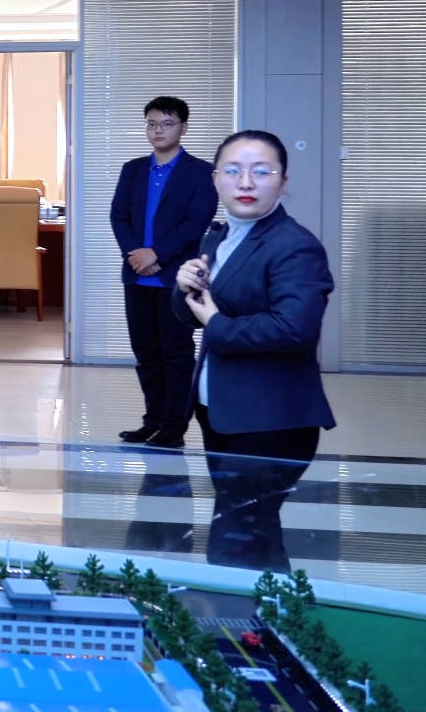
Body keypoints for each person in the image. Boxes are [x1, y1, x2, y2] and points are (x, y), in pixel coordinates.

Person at [174, 129, 334, 573]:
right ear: (215, 179)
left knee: (234, 543)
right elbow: (195, 312)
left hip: (272, 421)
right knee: (255, 531)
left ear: (282, 181)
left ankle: (229, 618)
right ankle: (280, 613)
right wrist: (183, 287)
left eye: (261, 172)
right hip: (224, 414)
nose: (245, 182)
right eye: (233, 171)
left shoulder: (294, 245)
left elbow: (295, 329)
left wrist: (217, 324)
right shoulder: (219, 236)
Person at [109, 96, 217, 448]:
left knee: (176, 354)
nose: (158, 130)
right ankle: (152, 421)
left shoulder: (201, 173)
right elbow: (118, 216)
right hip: (137, 276)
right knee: (147, 355)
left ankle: (174, 428)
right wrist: (135, 255)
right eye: (152, 124)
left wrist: (156, 254)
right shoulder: (133, 169)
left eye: (167, 124)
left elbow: (195, 223)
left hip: (176, 279)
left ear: (183, 128)